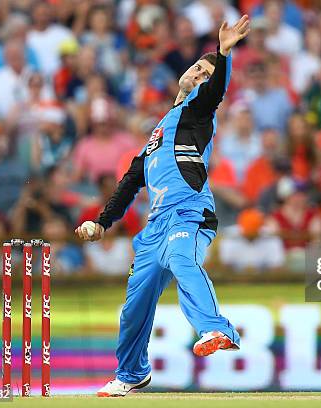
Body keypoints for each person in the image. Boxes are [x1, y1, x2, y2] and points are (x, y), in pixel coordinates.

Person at [74, 16, 251, 397]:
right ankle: (131, 373)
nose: (202, 76)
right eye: (198, 69)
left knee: (181, 259)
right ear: (183, 73)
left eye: (207, 73)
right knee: (134, 305)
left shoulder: (197, 114)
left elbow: (215, 92)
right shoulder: (157, 133)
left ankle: (215, 328)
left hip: (189, 211)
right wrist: (101, 223)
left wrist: (223, 55)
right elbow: (129, 182)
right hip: (154, 226)